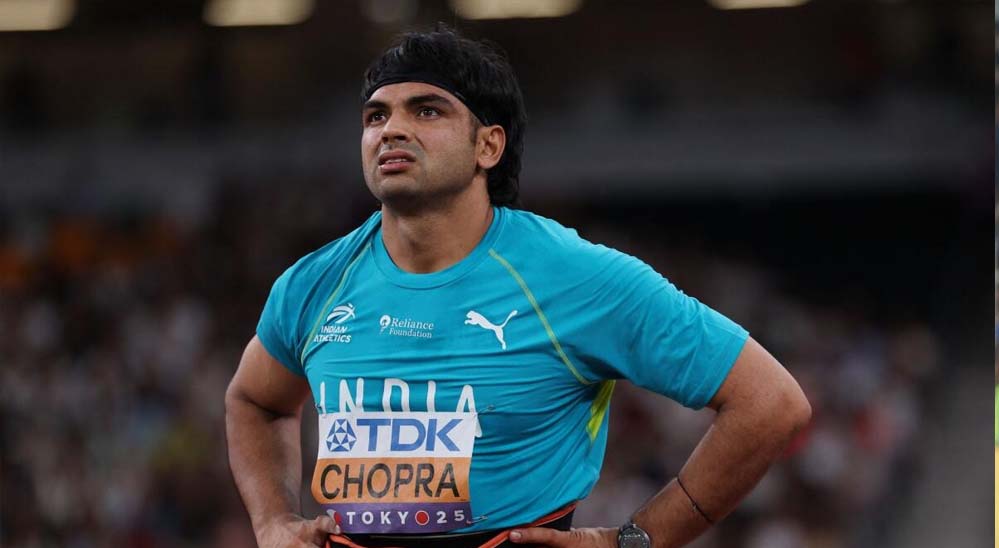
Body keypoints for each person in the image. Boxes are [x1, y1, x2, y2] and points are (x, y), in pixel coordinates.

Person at [225, 25, 811, 548]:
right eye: (376, 116)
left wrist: (636, 541)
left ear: (489, 146)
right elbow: (254, 401)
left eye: (426, 111)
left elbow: (770, 404)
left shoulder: (576, 278)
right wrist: (272, 522)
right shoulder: (314, 283)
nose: (392, 130)